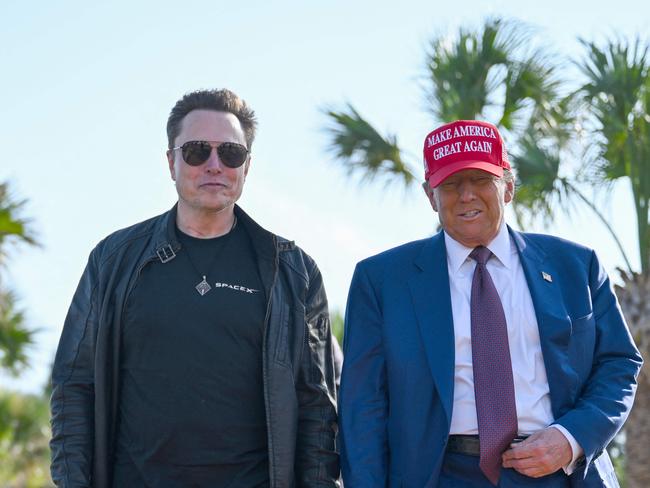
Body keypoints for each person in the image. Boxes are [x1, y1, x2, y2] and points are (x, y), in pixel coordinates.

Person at [50, 88, 340, 488]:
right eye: (197, 151)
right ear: (171, 161)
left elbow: (318, 410)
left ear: (247, 167)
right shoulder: (114, 260)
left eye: (231, 154)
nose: (214, 165)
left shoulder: (293, 272)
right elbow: (73, 387)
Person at [339, 120, 642, 487]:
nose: (466, 195)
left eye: (481, 179)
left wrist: (570, 438)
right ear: (429, 195)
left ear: (508, 186)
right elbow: (363, 408)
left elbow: (618, 363)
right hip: (439, 476)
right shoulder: (382, 280)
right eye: (450, 184)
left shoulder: (575, 266)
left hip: (559, 472)